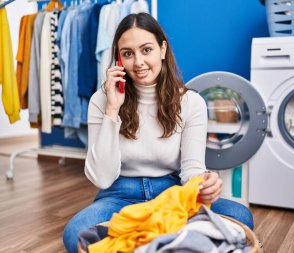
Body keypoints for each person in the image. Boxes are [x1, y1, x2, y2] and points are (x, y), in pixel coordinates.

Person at [62, 12, 253, 253]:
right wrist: (113, 109)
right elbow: (102, 178)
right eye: (128, 54)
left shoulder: (191, 102)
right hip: (119, 194)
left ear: (162, 49)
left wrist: (204, 183)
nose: (138, 62)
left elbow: (192, 170)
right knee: (75, 233)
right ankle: (164, 239)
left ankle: (148, 239)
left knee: (240, 216)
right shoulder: (102, 100)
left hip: (172, 192)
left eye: (146, 50)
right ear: (118, 59)